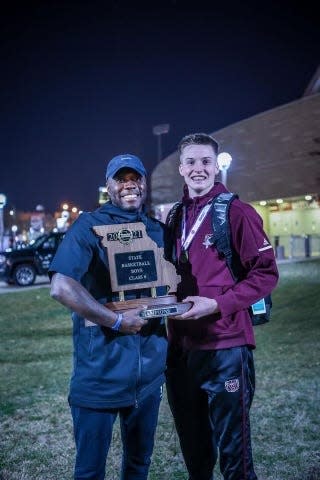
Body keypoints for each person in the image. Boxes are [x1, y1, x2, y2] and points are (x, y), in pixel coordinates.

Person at [166, 133, 279, 480]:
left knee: (234, 452)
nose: (198, 168)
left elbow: (266, 273)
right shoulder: (174, 216)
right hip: (181, 351)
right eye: (191, 162)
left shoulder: (237, 212)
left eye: (205, 162)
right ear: (180, 168)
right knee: (195, 450)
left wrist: (217, 303)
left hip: (225, 345)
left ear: (216, 166)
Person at [49, 154, 169, 480]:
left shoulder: (157, 230)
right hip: (99, 378)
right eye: (121, 178)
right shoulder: (89, 226)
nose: (129, 183)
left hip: (148, 381)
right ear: (109, 186)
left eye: (136, 177)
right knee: (89, 473)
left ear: (145, 183)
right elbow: (61, 286)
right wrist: (115, 321)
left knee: (138, 467)